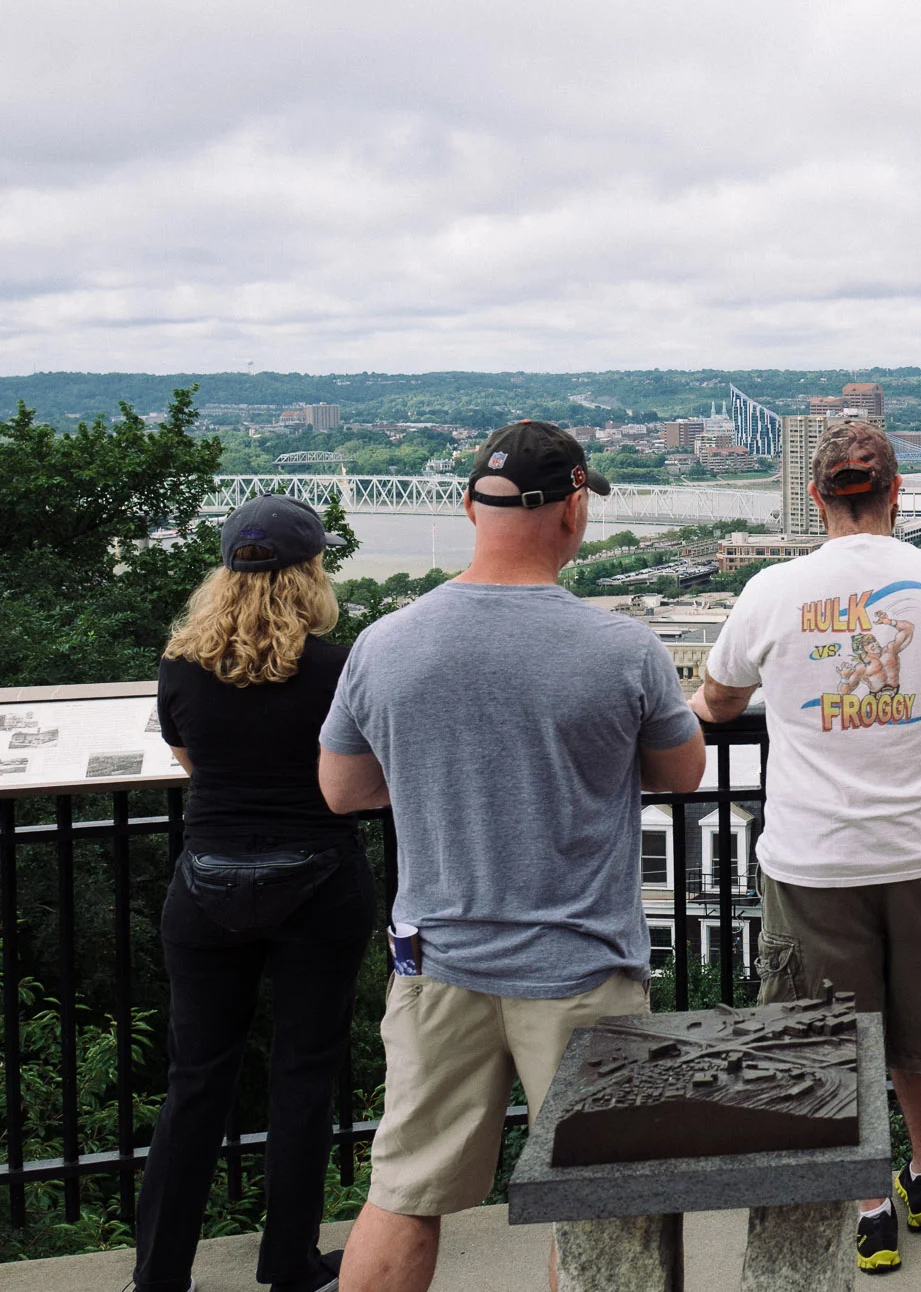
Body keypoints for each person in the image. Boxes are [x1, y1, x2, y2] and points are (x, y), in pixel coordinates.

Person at [320, 423, 706, 1292]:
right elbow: (681, 774)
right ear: (574, 510)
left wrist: (431, 777)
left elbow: (342, 790)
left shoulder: (386, 642)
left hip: (438, 962)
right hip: (582, 965)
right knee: (602, 1203)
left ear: (468, 507)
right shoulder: (623, 648)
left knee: (405, 1190)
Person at [690, 420, 921, 1277]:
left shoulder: (773, 588)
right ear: (897, 491)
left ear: (815, 497)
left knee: (828, 1031)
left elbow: (719, 703)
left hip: (814, 855)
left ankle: (869, 1205)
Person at [134, 497, 368, 1292]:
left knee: (196, 1077)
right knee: (303, 1073)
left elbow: (190, 758)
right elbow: (356, 774)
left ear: (224, 573)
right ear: (312, 573)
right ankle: (290, 1262)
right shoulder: (339, 667)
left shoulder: (180, 664)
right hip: (321, 877)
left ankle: (159, 1273)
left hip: (207, 881)